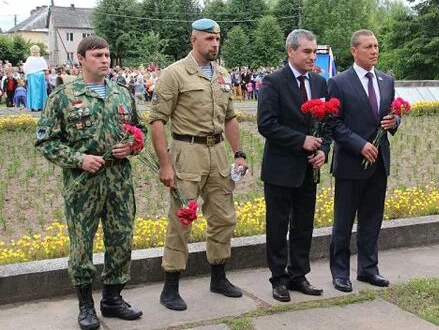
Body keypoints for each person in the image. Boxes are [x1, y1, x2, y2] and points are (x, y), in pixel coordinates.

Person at [35, 36, 144, 330]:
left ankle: (113, 298)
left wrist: (131, 146)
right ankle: (85, 304)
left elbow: (139, 131)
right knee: (82, 245)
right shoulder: (63, 97)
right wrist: (79, 159)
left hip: (118, 181)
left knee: (120, 239)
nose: (105, 60)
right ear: (81, 59)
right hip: (83, 184)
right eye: (98, 55)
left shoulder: (122, 94)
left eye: (107, 55)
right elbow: (45, 142)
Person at [149, 18, 249, 311]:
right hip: (186, 151)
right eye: (208, 39)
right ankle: (170, 288)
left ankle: (218, 277)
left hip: (217, 152)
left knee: (223, 216)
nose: (214, 44)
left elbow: (230, 117)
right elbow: (156, 120)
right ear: (193, 40)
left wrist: (239, 153)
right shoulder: (174, 74)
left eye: (217, 39)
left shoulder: (223, 75)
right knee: (182, 219)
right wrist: (165, 165)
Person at [257, 29, 331, 302]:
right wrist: (301, 140)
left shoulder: (320, 83)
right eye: (307, 52)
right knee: (277, 226)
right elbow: (266, 124)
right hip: (280, 168)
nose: (312, 57)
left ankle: (299, 274)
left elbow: (326, 125)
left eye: (315, 52)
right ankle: (278, 279)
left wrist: (323, 149)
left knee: (303, 225)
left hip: (309, 169)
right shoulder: (273, 82)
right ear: (291, 51)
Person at [327, 29, 400, 293]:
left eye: (377, 46)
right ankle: (340, 273)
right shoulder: (338, 82)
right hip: (350, 163)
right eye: (368, 46)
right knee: (344, 222)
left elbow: (392, 114)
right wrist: (360, 145)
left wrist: (395, 122)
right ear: (354, 50)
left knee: (372, 221)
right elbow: (333, 124)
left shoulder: (386, 81)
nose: (374, 51)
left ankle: (369, 269)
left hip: (379, 164)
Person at [24, 45, 48, 111]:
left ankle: (39, 106)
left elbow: (45, 68)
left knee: (39, 91)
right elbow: (26, 69)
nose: (35, 53)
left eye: (36, 52)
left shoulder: (40, 59)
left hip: (38, 76)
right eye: (34, 52)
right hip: (34, 77)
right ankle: (35, 106)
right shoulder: (30, 59)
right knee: (35, 91)